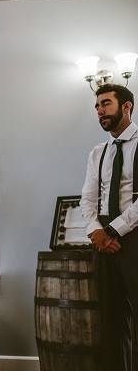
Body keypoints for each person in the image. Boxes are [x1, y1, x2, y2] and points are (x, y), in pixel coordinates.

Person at [80, 84, 138, 371]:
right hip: (104, 244)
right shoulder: (97, 152)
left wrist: (113, 230)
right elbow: (87, 199)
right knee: (110, 323)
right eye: (97, 106)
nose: (100, 111)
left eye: (106, 104)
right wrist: (96, 233)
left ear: (126, 106)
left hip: (135, 240)